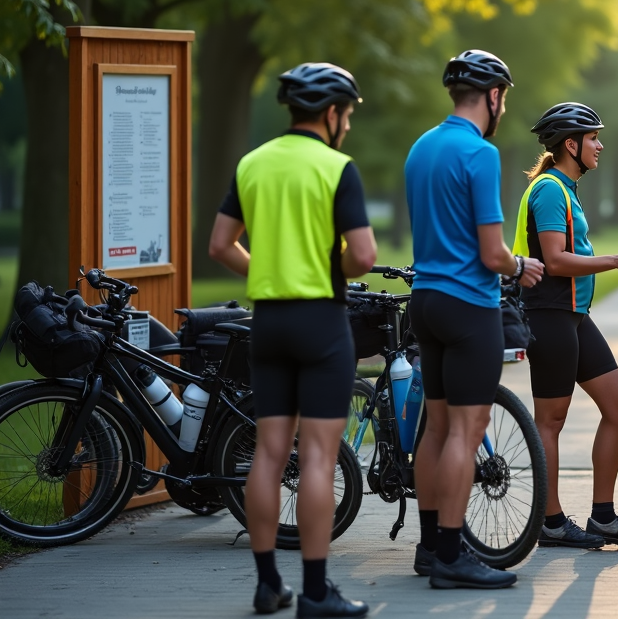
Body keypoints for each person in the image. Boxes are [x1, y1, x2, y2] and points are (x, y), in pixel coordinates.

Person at [209, 62, 376, 617]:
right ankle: (316, 592)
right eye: (346, 115)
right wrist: (333, 270)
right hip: (322, 325)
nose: (347, 125)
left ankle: (265, 585)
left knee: (268, 451)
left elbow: (219, 245)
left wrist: (268, 270)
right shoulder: (336, 167)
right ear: (331, 114)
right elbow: (364, 255)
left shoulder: (252, 163)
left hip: (269, 323)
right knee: (320, 456)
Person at [403, 49, 544, 590]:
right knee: (468, 428)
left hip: (427, 301)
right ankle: (452, 558)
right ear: (492, 97)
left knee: (435, 429)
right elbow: (491, 253)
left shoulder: (422, 147)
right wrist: (521, 264)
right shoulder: (479, 154)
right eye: (502, 97)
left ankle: (429, 544)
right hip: (469, 307)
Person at [513, 102, 618, 549]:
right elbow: (554, 260)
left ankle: (603, 517)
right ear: (570, 145)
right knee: (551, 421)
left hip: (573, 316)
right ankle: (551, 522)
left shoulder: (564, 188)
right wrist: (614, 261)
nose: (600, 145)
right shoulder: (551, 189)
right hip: (548, 314)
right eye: (592, 137)